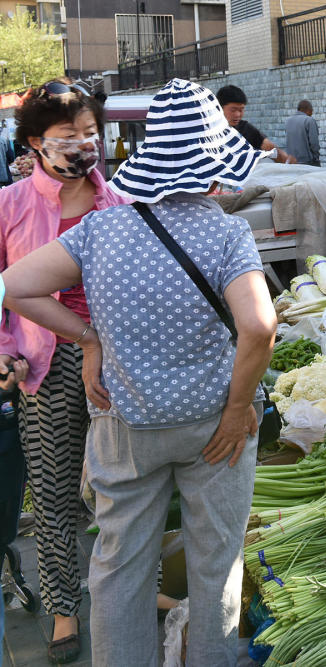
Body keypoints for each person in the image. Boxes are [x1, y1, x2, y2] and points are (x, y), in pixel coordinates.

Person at [1, 78, 276, 665]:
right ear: (214, 162)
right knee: (215, 563)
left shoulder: (101, 229)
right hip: (214, 429)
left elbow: (15, 285)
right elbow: (258, 327)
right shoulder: (227, 231)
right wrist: (236, 408)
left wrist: (88, 336)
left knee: (118, 568)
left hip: (126, 423)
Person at [0, 78, 131, 663]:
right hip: (43, 362)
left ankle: (128, 590)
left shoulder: (119, 202)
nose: (83, 145)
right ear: (35, 143)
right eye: (68, 136)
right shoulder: (9, 204)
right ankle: (61, 609)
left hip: (116, 359)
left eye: (90, 134)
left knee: (124, 486)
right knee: (53, 493)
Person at [217, 84, 296, 164]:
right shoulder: (208, 131)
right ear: (219, 108)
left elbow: (270, 149)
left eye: (241, 110)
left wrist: (287, 160)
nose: (238, 114)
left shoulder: (246, 129)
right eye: (233, 110)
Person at [285, 99, 320, 166]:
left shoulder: (288, 121)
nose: (312, 114)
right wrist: (316, 158)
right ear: (308, 110)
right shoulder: (309, 120)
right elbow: (314, 143)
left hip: (291, 162)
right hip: (307, 162)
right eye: (312, 111)